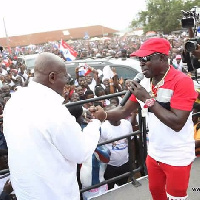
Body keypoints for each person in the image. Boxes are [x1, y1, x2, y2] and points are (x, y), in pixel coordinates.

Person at [89, 38, 198, 200]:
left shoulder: (182, 82)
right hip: (154, 153)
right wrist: (103, 114)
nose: (141, 63)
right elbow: (123, 110)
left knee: (175, 197)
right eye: (140, 59)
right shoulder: (145, 83)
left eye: (146, 59)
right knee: (156, 193)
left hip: (177, 155)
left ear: (162, 58)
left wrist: (148, 100)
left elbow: (177, 123)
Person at [3, 52, 106, 200]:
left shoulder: (14, 101)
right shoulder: (55, 111)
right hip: (54, 193)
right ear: (52, 77)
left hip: (27, 193)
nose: (67, 82)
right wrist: (97, 122)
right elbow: (81, 152)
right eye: (65, 77)